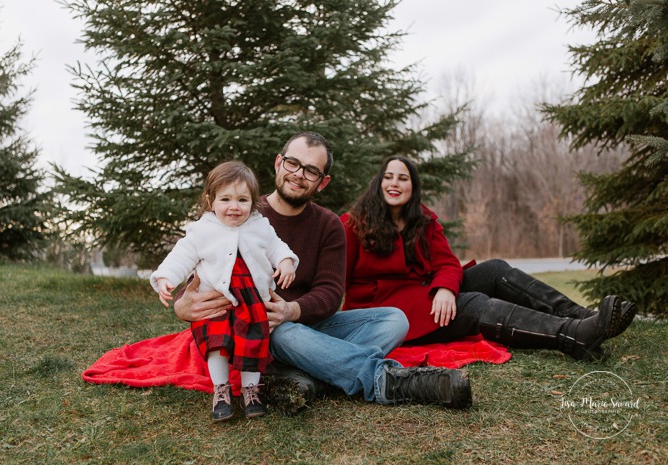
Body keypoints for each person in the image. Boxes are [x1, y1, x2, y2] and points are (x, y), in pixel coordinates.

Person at [173, 132, 473, 411]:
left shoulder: (329, 224)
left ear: (322, 182)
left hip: (306, 322)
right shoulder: (240, 213)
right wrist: (183, 304)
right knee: (284, 335)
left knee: (394, 319)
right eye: (293, 163)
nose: (299, 175)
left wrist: (291, 309)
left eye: (311, 171)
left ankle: (310, 375)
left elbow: (331, 293)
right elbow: (204, 275)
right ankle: (386, 380)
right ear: (279, 163)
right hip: (259, 329)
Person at [341, 156, 637, 360]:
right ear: (378, 184)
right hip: (396, 314)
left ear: (412, 186)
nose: (395, 183)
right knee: (473, 304)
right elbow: (335, 281)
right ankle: (573, 336)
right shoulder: (353, 224)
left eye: (403, 178)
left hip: (431, 295)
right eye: (388, 177)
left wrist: (444, 288)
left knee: (494, 269)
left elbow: (446, 263)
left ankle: (583, 317)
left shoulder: (424, 220)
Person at [150, 160, 299, 421]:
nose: (234, 207)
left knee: (252, 342)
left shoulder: (260, 226)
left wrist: (286, 262)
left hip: (251, 299)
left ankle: (251, 390)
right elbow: (182, 256)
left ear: (253, 201)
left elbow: (277, 247)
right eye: (226, 199)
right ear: (211, 200)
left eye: (242, 200)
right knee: (217, 343)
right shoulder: (202, 230)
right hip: (216, 300)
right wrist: (165, 277)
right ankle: (221, 390)